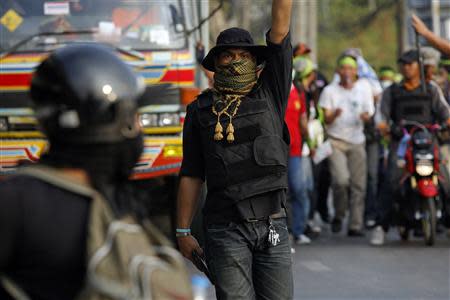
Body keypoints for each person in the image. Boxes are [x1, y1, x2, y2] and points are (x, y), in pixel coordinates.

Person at [0, 44, 145, 299]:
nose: (139, 128)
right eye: (133, 119)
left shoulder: (15, 198)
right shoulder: (121, 204)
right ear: (110, 125)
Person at [176, 0, 293, 299]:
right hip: (225, 230)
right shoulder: (200, 111)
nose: (236, 60)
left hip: (273, 225)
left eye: (244, 55)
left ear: (256, 63)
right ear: (216, 63)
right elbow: (191, 174)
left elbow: (280, 28)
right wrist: (183, 231)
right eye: (228, 55)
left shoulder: (270, 92)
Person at [370, 49, 450, 246]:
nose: (407, 68)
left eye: (411, 64)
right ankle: (381, 226)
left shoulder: (430, 89)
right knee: (391, 181)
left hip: (429, 142)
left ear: (419, 66)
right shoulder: (393, 91)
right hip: (402, 143)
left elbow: (444, 111)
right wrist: (383, 125)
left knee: (446, 182)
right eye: (404, 64)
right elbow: (381, 114)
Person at [319, 55, 375, 237]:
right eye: (343, 68)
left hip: (357, 140)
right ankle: (340, 214)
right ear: (338, 71)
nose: (347, 72)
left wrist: (366, 118)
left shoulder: (364, 89)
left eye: (350, 68)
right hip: (336, 141)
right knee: (341, 181)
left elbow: (369, 112)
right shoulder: (329, 91)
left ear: (356, 71)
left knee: (359, 184)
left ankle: (355, 225)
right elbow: (326, 118)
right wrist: (334, 114)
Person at [286, 60, 312, 245]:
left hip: (295, 149)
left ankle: (299, 230)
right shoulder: (271, 91)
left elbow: (303, 119)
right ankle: (282, 232)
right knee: (280, 193)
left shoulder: (298, 93)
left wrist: (310, 141)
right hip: (273, 151)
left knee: (298, 189)